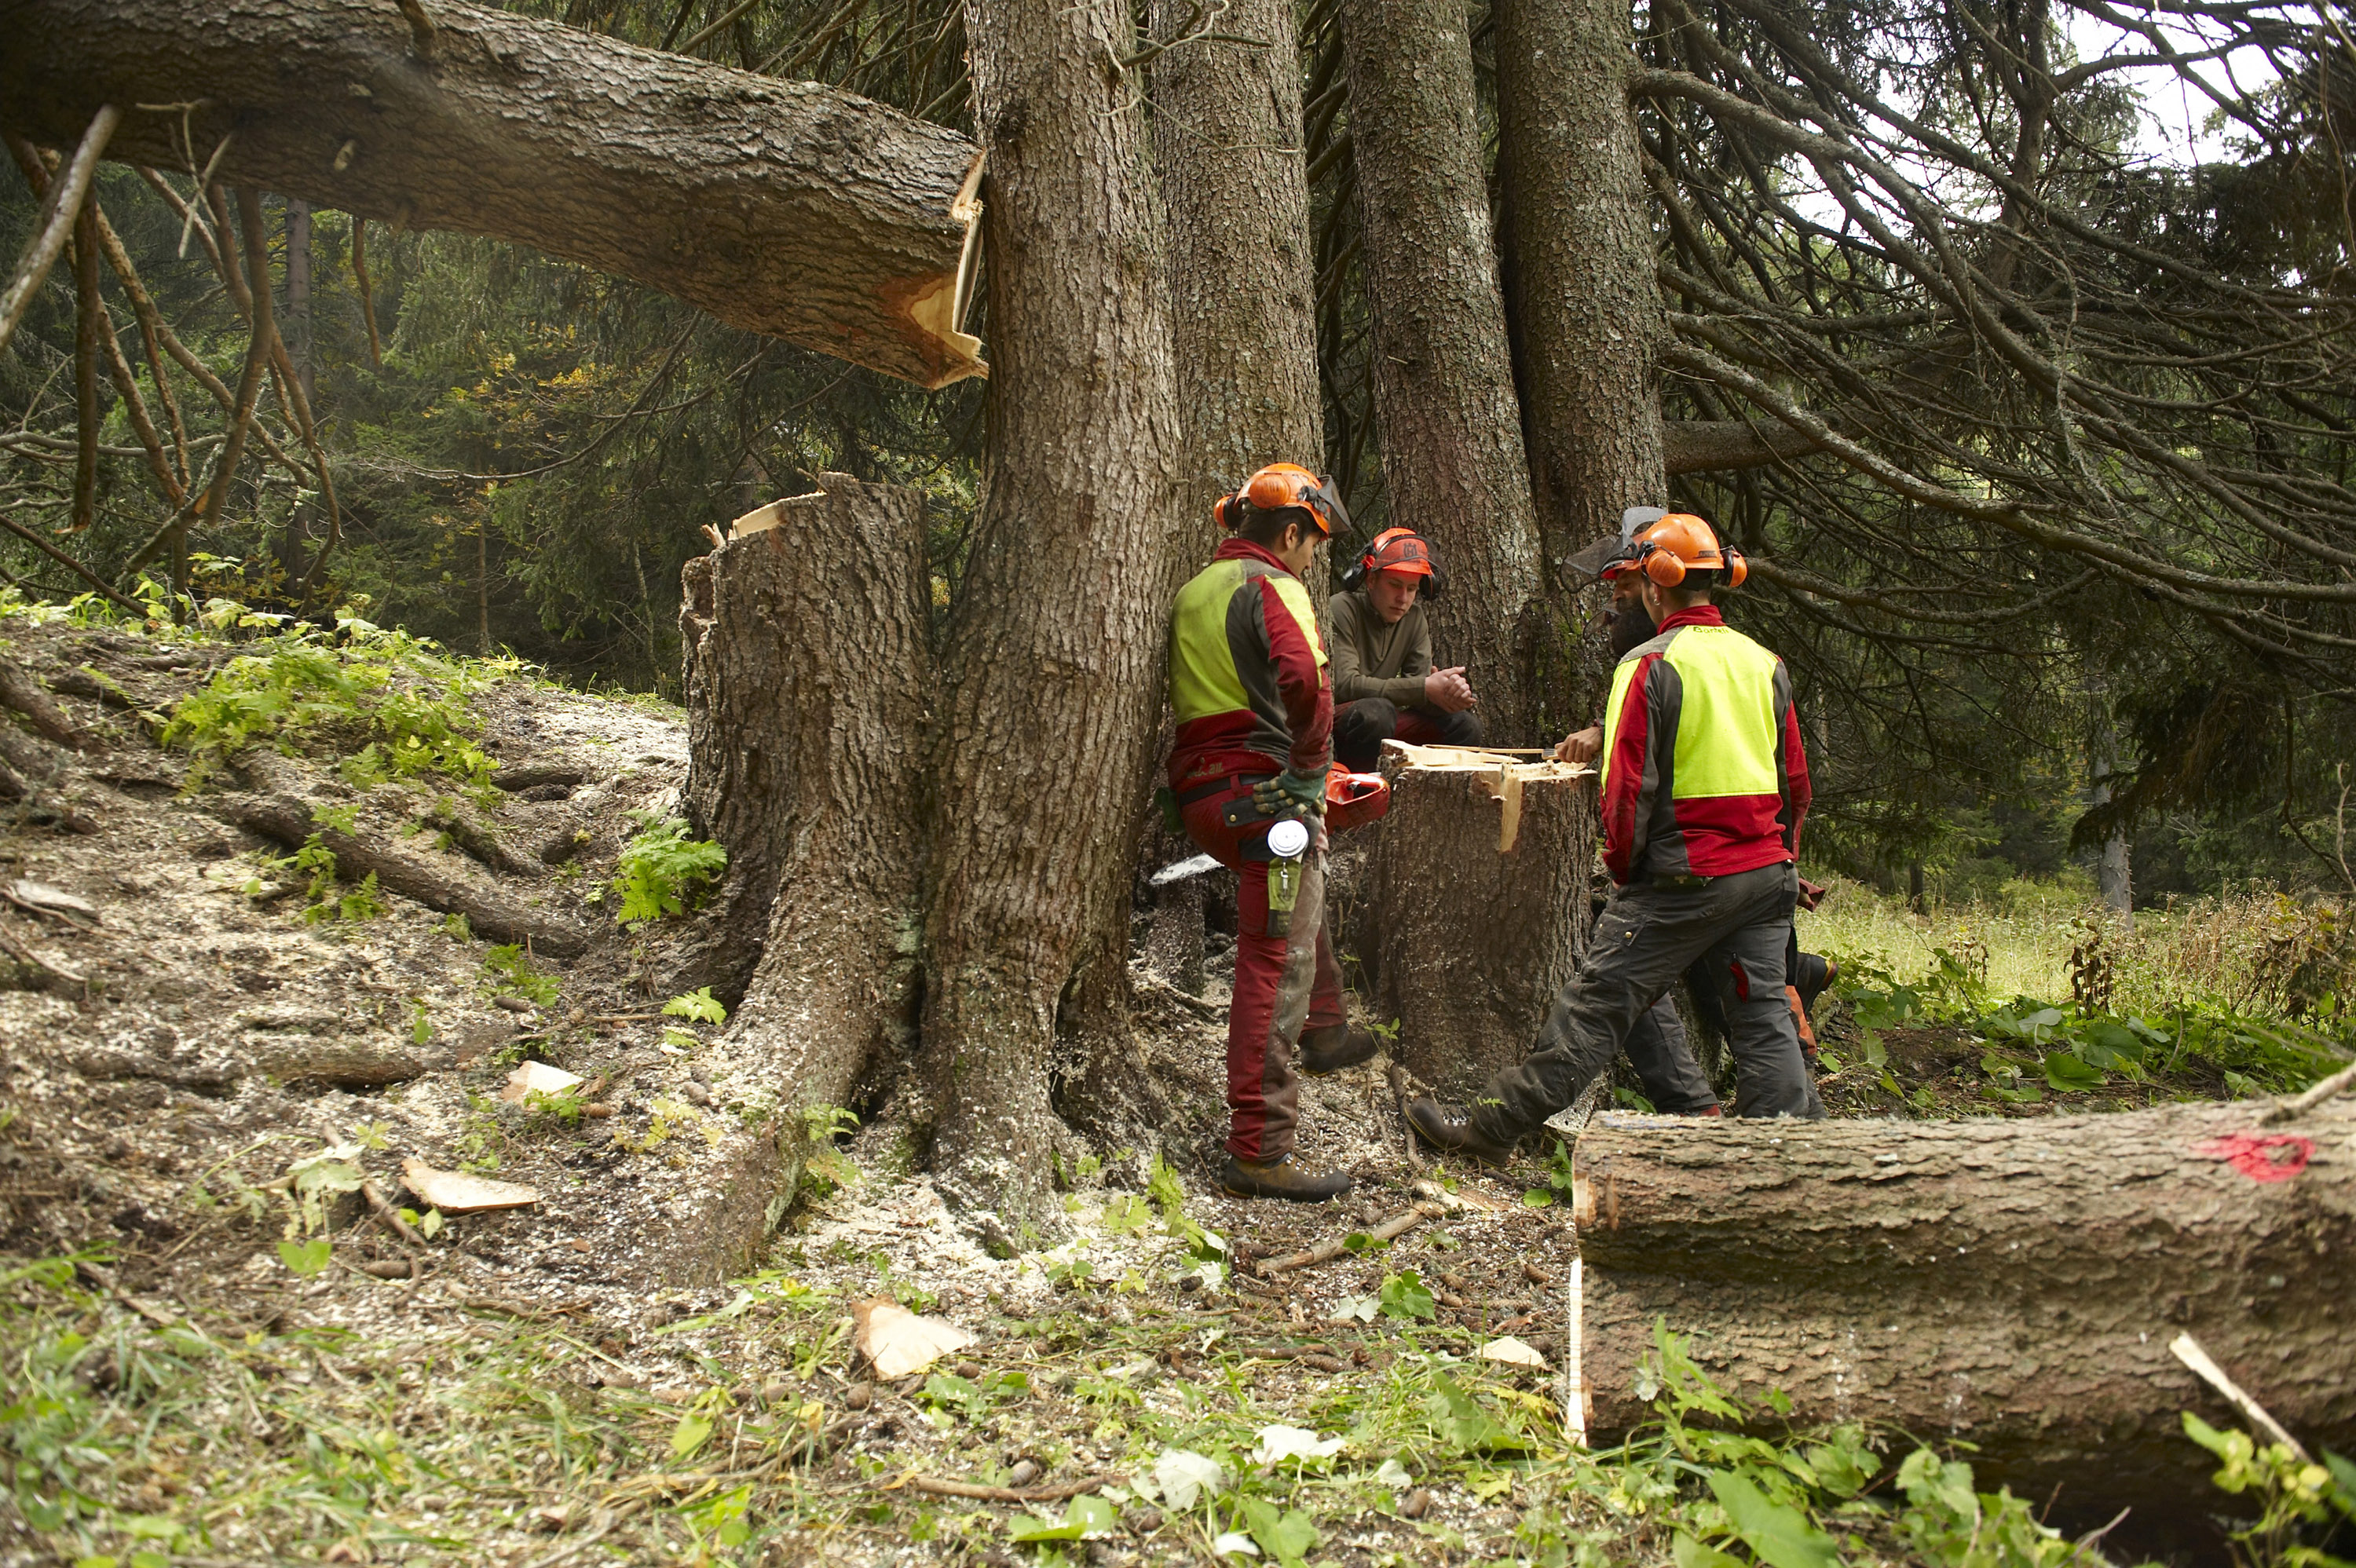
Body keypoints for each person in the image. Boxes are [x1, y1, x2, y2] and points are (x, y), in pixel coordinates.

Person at [1407, 513, 1824, 1164]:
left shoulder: (1649, 663)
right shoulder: (1763, 662)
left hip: (1684, 878)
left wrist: (1626, 875)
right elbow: (1795, 784)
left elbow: (1627, 792)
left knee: (1594, 1009)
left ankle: (1490, 1127)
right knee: (1764, 1016)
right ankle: (1791, 1159)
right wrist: (1784, 857)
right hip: (1764, 875)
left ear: (1658, 587)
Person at [1168, 463, 1381, 1203]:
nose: (1312, 558)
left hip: (1209, 796)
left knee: (1294, 916)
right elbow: (1309, 685)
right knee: (1273, 956)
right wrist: (1309, 768)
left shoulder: (1195, 589)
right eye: (1311, 544)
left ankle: (1326, 1029)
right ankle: (1259, 1148)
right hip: (1270, 809)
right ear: (1291, 533)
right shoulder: (1274, 586)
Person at [1326, 528, 1482, 773]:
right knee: (1377, 713)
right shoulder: (1342, 608)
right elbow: (1345, 685)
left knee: (1465, 726)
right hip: (1338, 722)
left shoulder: (1414, 619)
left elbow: (1419, 694)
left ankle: (1426, 800)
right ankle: (1358, 793)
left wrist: (1446, 695)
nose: (1403, 598)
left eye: (1411, 589)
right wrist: (1425, 688)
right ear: (1371, 580)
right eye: (1395, 585)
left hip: (1383, 722)